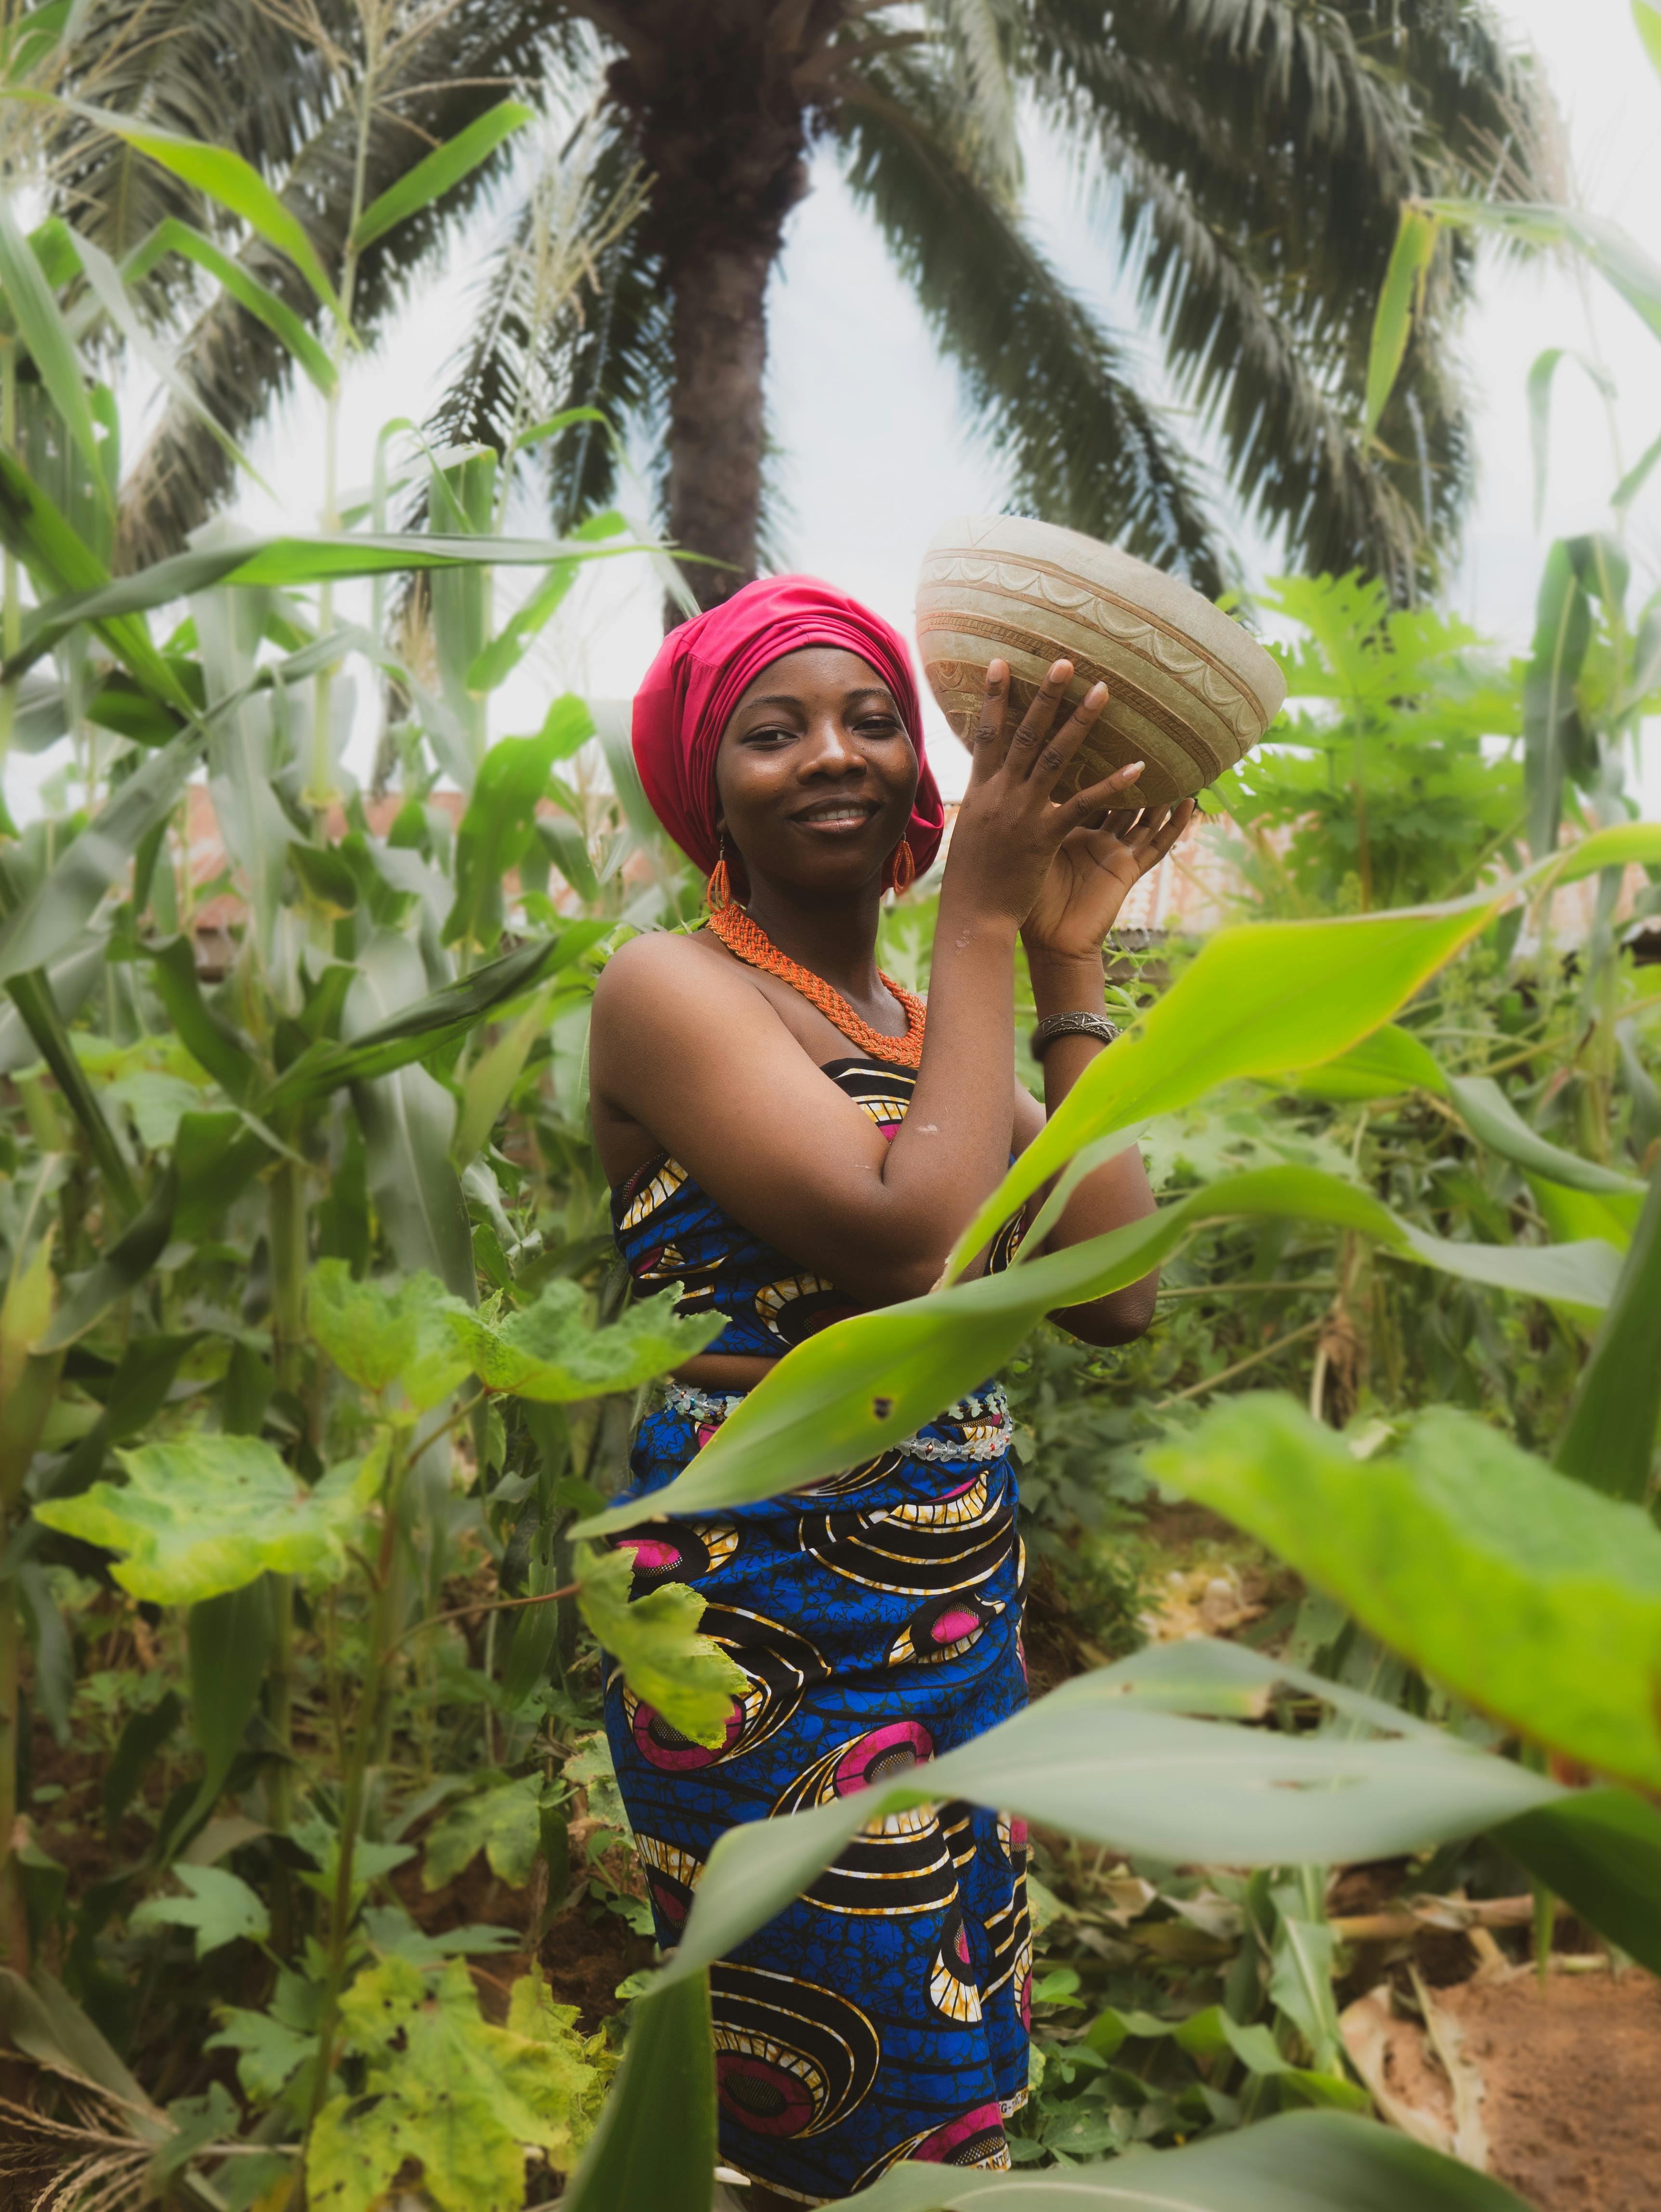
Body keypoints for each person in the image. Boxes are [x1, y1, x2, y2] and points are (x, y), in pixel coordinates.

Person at [588, 575, 1190, 2206]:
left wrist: (1065, 960)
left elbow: (1116, 1291)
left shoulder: (934, 1030)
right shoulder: (668, 990)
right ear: (710, 788)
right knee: (808, 2101)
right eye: (774, 730)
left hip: (947, 1620)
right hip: (768, 1622)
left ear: (925, 778)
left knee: (941, 2057)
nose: (834, 754)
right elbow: (895, 1245)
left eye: (871, 718)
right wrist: (984, 919)